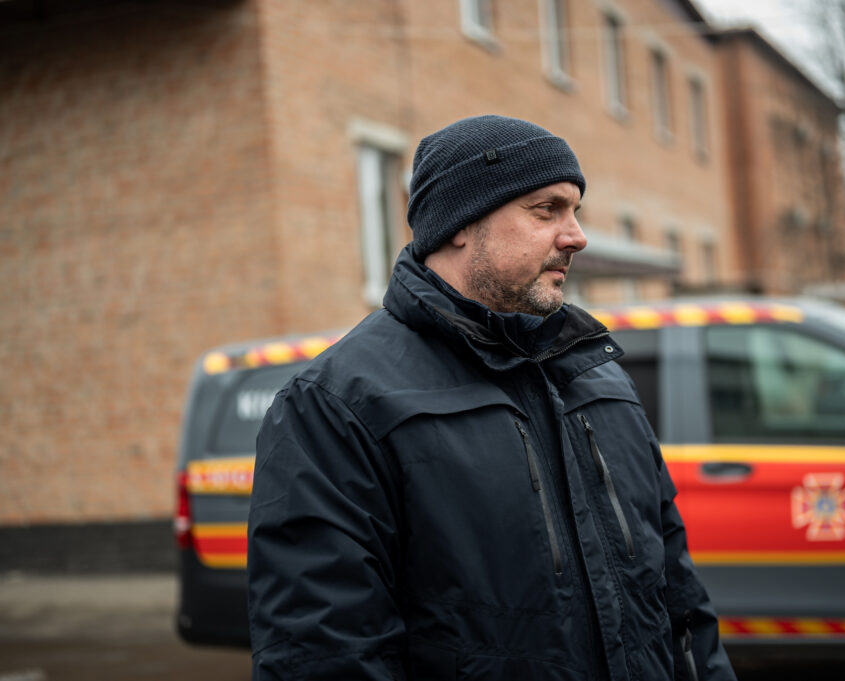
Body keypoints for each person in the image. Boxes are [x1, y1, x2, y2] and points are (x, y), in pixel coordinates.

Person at [247, 115, 736, 681]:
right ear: (460, 223)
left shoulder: (602, 379)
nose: (576, 236)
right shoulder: (336, 405)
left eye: (575, 211)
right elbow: (325, 654)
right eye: (546, 210)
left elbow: (681, 604)